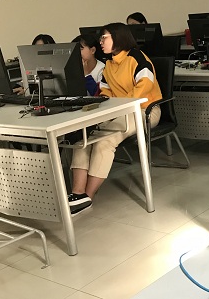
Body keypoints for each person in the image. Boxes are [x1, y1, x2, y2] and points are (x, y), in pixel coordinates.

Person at [68, 23, 162, 214]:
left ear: (118, 37)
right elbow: (105, 93)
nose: (101, 42)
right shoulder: (109, 65)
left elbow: (142, 89)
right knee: (83, 138)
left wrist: (116, 107)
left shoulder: (137, 58)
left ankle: (88, 197)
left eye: (104, 38)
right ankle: (77, 193)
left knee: (105, 142)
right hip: (118, 111)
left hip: (145, 110)